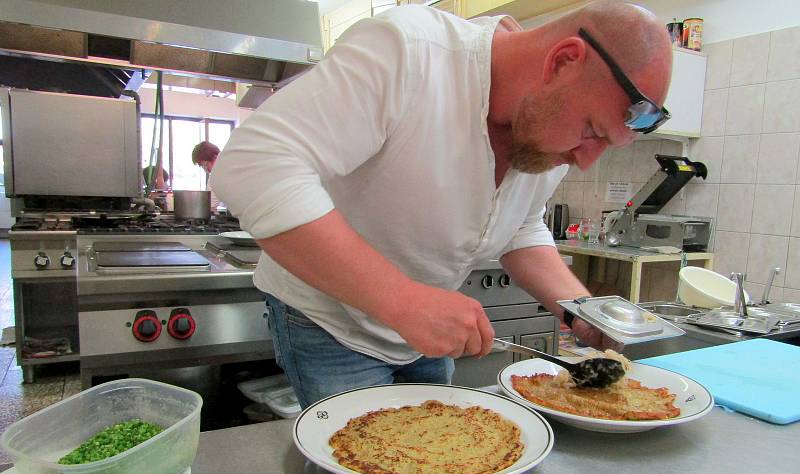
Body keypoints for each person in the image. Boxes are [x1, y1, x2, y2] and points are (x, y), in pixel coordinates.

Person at [211, 1, 672, 408]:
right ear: (564, 61)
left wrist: (580, 311)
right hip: (329, 322)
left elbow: (521, 226)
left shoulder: (550, 135)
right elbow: (255, 166)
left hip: (423, 338)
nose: (587, 162)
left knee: (438, 458)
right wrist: (403, 300)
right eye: (593, 130)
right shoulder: (408, 50)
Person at [191, 141, 224, 211]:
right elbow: (210, 205)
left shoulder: (234, 164)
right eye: (202, 166)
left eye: (206, 164)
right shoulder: (213, 178)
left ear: (216, 157)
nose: (206, 169)